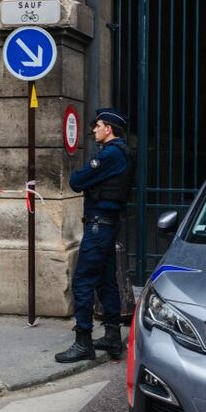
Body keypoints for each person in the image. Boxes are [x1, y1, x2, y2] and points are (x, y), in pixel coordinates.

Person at [56, 108, 133, 363]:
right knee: (105, 280)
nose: (94, 130)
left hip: (99, 225)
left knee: (83, 281)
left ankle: (83, 342)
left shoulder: (110, 154)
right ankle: (112, 337)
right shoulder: (120, 152)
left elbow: (77, 180)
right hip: (108, 224)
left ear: (108, 129)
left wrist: (85, 177)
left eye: (97, 126)